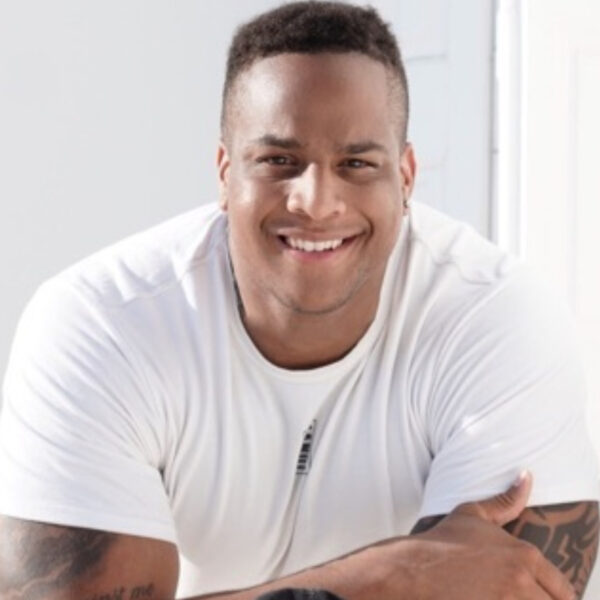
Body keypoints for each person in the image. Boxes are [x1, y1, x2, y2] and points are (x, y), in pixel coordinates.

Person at [0, 2, 598, 599]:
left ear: (406, 177)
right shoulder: (100, 326)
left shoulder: (497, 322)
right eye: (278, 161)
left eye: (357, 163)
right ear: (225, 173)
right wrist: (391, 574)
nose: (315, 201)